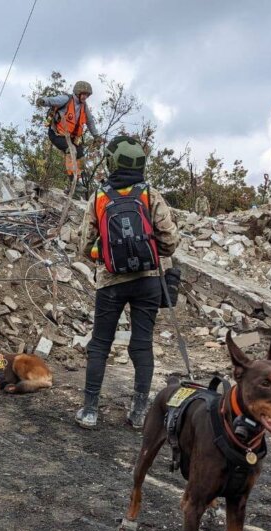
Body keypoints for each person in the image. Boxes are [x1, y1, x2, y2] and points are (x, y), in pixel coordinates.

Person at [76, 136, 179, 429]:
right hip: (147, 281)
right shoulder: (150, 194)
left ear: (112, 162)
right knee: (142, 344)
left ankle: (90, 411)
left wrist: (106, 253)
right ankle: (138, 413)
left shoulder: (99, 197)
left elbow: (85, 246)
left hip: (110, 281)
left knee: (100, 344)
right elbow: (170, 241)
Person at [38, 80, 102, 180]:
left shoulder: (84, 106)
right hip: (57, 134)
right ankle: (72, 178)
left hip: (72, 137)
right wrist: (43, 101)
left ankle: (78, 178)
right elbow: (53, 100)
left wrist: (96, 136)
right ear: (77, 92)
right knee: (71, 150)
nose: (85, 97)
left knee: (80, 155)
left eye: (87, 95)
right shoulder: (66, 99)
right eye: (83, 94)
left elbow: (90, 122)